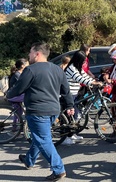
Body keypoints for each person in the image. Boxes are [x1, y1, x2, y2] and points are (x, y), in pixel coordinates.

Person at [6, 42, 74, 181]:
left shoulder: (31, 70)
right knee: (40, 137)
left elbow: (19, 88)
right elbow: (66, 90)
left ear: (37, 54)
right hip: (54, 110)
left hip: (37, 111)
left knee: (43, 139)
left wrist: (8, 94)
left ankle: (58, 169)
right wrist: (70, 105)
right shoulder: (57, 69)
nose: (29, 55)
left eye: (30, 52)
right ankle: (29, 160)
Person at [64, 50, 102, 144]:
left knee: (75, 115)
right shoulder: (72, 68)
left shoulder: (77, 67)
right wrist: (94, 83)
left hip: (74, 94)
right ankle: (65, 138)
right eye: (83, 61)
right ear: (79, 59)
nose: (84, 62)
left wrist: (94, 80)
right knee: (69, 115)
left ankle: (71, 134)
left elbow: (84, 76)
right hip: (68, 94)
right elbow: (79, 78)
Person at [8, 58, 29, 132]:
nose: (28, 66)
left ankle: (15, 128)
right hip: (14, 96)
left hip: (15, 95)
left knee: (18, 113)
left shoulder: (19, 74)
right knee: (30, 98)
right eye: (27, 64)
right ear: (23, 66)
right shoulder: (17, 75)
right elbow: (24, 85)